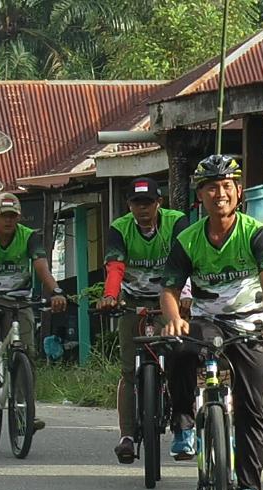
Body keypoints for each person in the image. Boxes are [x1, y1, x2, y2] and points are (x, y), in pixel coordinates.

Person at [160, 155, 263, 490]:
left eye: (227, 185)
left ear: (238, 192)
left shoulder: (256, 232)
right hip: (208, 322)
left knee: (253, 410)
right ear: (200, 195)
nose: (221, 193)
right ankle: (184, 423)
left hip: (250, 324)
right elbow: (168, 289)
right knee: (181, 346)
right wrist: (174, 319)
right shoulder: (187, 240)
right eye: (211, 187)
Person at [95, 177, 191, 463]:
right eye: (137, 203)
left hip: (170, 299)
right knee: (128, 369)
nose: (143, 209)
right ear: (129, 206)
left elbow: (184, 260)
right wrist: (110, 296)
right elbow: (115, 265)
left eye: (148, 202)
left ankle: (181, 427)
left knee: (177, 360)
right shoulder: (120, 228)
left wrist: (185, 295)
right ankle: (126, 435)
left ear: (158, 203)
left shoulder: (176, 222)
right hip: (133, 302)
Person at [0, 191, 66, 386]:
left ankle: (26, 410)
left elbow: (41, 267)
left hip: (19, 300)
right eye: (3, 216)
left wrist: (56, 291)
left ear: (19, 217)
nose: (8, 221)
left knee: (27, 352)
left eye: (12, 216)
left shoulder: (28, 237)